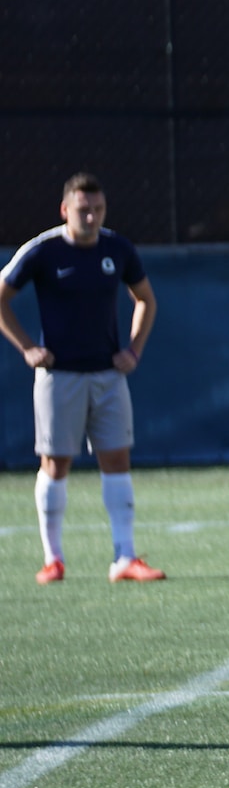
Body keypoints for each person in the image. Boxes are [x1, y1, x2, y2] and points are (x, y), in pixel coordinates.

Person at [0, 174, 165, 584]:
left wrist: (134, 349)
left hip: (108, 375)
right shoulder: (43, 250)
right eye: (82, 209)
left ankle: (124, 558)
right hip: (59, 376)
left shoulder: (117, 248)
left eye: (97, 208)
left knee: (117, 459)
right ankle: (53, 559)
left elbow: (145, 298)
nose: (90, 216)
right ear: (65, 210)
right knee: (55, 463)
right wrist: (27, 348)